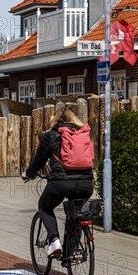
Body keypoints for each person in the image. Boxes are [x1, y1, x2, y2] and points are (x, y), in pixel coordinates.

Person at [21, 106, 94, 257]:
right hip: (86, 183)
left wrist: (28, 174)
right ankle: (72, 251)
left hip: (61, 182)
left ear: (54, 120)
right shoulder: (83, 134)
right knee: (76, 213)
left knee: (44, 206)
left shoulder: (52, 135)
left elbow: (39, 160)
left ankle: (54, 241)